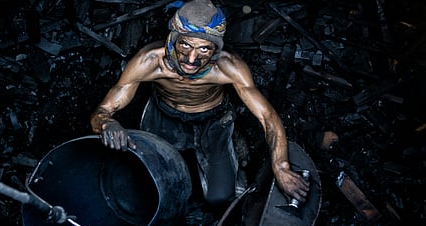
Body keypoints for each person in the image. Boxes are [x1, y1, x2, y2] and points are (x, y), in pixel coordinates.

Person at [90, 0, 309, 207]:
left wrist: (281, 167)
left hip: (212, 121)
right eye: (185, 45)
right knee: (145, 187)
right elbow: (103, 111)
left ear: (216, 50)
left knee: (220, 197)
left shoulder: (228, 67)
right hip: (163, 117)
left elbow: (267, 117)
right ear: (173, 39)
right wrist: (106, 124)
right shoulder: (148, 62)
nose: (192, 59)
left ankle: (232, 152)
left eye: (204, 49)